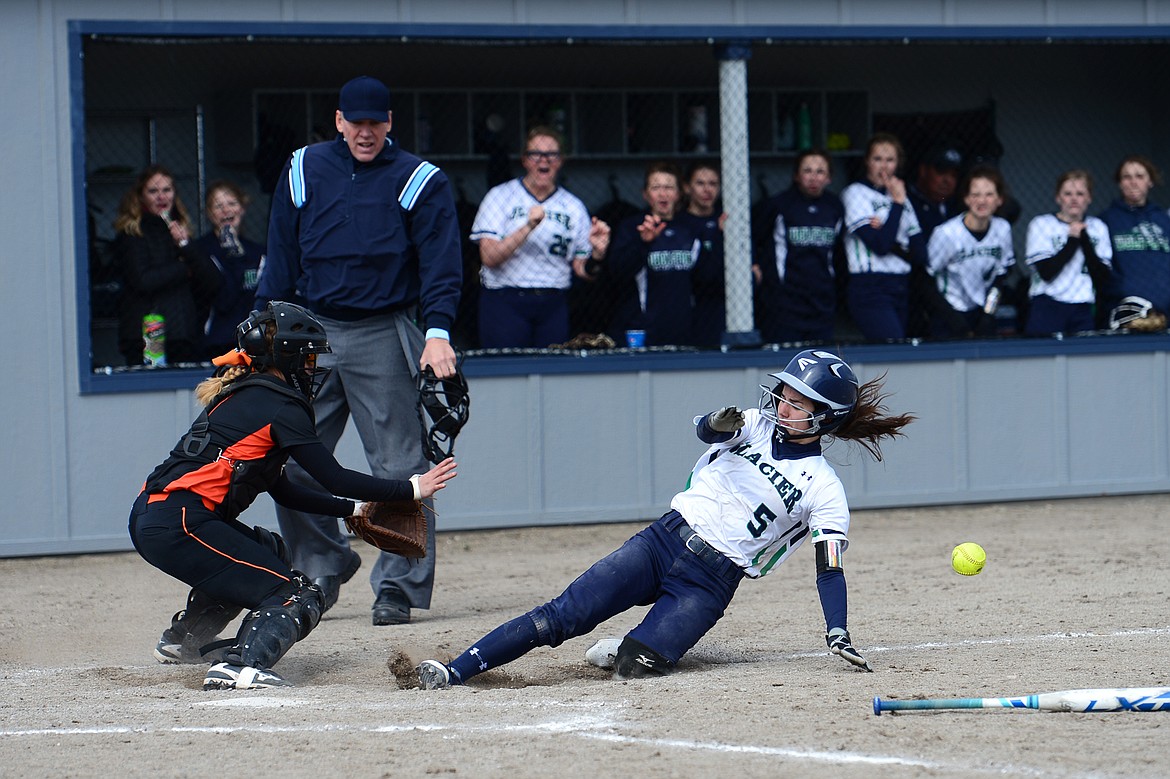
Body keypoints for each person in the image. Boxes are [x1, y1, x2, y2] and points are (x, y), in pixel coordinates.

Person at [415, 348, 913, 689]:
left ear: (824, 416)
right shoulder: (754, 424)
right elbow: (706, 430)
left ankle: (625, 646)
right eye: (783, 391)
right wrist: (716, 422)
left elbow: (829, 568)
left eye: (798, 399)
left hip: (710, 582)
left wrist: (838, 631)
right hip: (662, 542)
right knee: (561, 617)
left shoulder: (825, 488)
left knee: (636, 666)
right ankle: (454, 670)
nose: (782, 401)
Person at [129, 302, 458, 690]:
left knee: (271, 551)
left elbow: (283, 491)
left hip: (158, 518)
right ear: (284, 356)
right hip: (181, 522)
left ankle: (185, 642)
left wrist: (354, 509)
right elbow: (333, 476)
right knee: (296, 593)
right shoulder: (282, 405)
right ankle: (241, 666)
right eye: (307, 357)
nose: (312, 366)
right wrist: (410, 488)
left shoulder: (243, 394)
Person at [255, 75, 463, 625]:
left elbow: (443, 263)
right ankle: (322, 564)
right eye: (356, 122)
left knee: (399, 465)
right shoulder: (303, 166)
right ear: (339, 121)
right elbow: (278, 251)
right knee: (291, 457)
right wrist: (266, 324)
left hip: (382, 331)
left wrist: (438, 331)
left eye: (376, 122)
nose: (365, 132)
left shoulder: (420, 178)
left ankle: (397, 584)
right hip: (311, 334)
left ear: (389, 122)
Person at [471, 126, 610, 348]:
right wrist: (528, 227)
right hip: (505, 300)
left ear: (561, 160)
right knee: (507, 373)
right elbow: (489, 257)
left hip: (553, 303)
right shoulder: (500, 196)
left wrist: (598, 254)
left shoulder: (573, 206)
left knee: (553, 374)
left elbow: (583, 270)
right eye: (536, 154)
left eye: (551, 154)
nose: (543, 160)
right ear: (525, 160)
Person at [112, 165, 219, 366]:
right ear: (141, 196)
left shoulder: (181, 231)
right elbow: (143, 280)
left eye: (167, 190)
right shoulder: (132, 234)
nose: (161, 197)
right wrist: (184, 269)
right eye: (153, 191)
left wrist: (186, 245)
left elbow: (212, 281)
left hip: (182, 332)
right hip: (145, 332)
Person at [607, 161, 707, 346]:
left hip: (684, 327)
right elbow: (617, 272)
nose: (663, 193)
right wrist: (643, 243)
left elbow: (704, 280)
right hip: (642, 326)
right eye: (656, 187)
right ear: (645, 194)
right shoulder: (632, 227)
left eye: (669, 187)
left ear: (678, 194)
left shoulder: (690, 229)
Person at [752, 149, 844, 343]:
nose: (813, 177)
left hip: (822, 301)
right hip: (786, 302)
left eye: (820, 172)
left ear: (829, 178)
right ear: (796, 175)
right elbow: (753, 237)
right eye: (807, 171)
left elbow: (839, 254)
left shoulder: (835, 207)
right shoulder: (778, 205)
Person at [840, 134, 926, 342]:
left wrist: (888, 224)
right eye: (877, 159)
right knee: (892, 345)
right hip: (870, 285)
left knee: (898, 350)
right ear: (867, 162)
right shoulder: (855, 193)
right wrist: (896, 207)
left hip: (900, 284)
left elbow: (920, 253)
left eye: (890, 160)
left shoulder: (900, 195)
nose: (884, 167)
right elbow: (880, 245)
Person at [925, 165, 1016, 339]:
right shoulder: (946, 234)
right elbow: (925, 280)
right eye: (975, 195)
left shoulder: (1002, 229)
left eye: (989, 195)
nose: (982, 201)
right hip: (950, 314)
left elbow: (1001, 276)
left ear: (999, 199)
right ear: (966, 198)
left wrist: (988, 314)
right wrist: (953, 319)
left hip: (982, 312)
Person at [1023, 170, 1113, 336]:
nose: (1074, 199)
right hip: (1047, 304)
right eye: (1067, 194)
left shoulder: (1098, 227)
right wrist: (1072, 241)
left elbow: (1102, 278)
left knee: (1083, 359)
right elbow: (1047, 272)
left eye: (1080, 194)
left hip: (1083, 306)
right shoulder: (1041, 224)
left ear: (1089, 198)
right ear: (1058, 197)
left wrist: (1084, 239)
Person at [194, 180, 266, 357]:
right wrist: (232, 256)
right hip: (217, 342)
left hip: (254, 342)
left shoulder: (257, 253)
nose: (226, 210)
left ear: (242, 208)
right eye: (218, 206)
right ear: (209, 214)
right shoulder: (201, 250)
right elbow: (225, 299)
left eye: (232, 204)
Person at [1098, 155, 1170, 323]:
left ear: (1150, 181)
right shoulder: (1105, 221)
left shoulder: (1164, 220)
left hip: (1166, 309)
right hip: (1125, 311)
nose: (1133, 182)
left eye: (1139, 176)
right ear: (1120, 183)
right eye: (1127, 177)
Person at [678, 161, 727, 347]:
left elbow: (753, 274)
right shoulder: (679, 223)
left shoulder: (727, 221)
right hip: (691, 308)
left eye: (713, 184)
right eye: (700, 183)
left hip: (723, 309)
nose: (707, 190)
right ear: (687, 187)